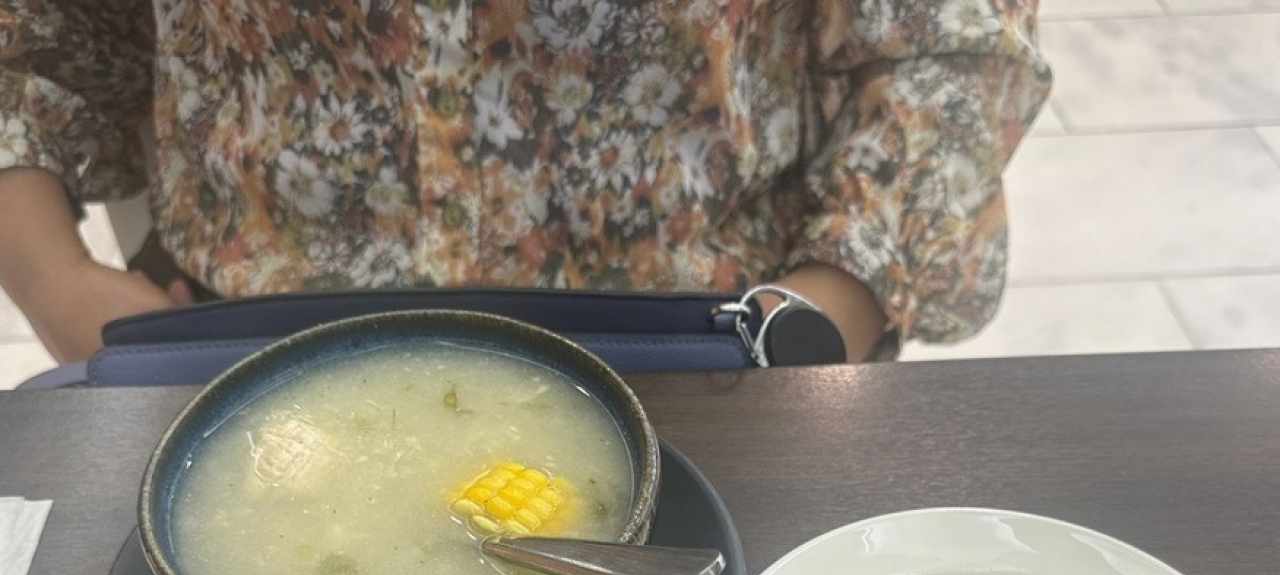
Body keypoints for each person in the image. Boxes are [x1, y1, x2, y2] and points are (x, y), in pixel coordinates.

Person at [0, 1, 1050, 366]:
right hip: (242, 328)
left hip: (706, 337)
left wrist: (835, 301)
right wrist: (48, 273)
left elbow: (951, 35)